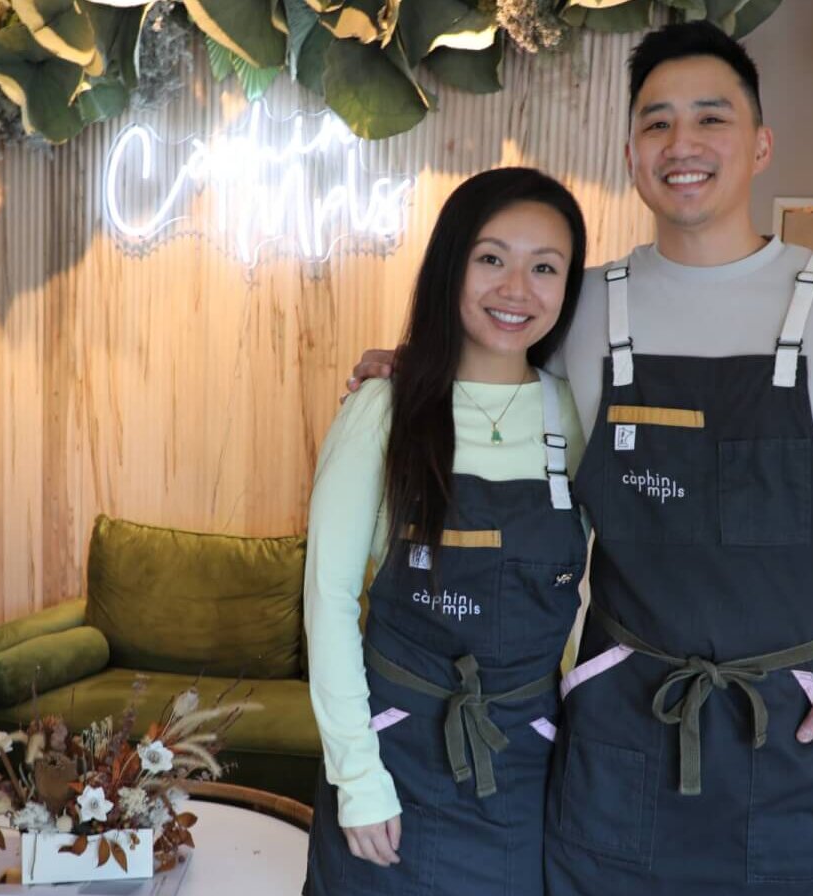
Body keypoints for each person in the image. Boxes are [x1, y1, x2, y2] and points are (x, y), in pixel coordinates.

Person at [349, 21, 813, 895]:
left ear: (759, 142)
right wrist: (417, 367)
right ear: (633, 152)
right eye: (655, 123)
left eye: (710, 119)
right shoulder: (583, 308)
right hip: (623, 731)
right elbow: (496, 358)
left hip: (801, 736)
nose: (683, 145)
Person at [302, 167, 591, 895]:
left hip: (527, 764)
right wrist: (356, 776)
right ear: (450, 265)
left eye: (545, 267)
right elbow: (329, 600)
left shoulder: (576, 416)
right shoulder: (384, 409)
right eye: (491, 258)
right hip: (395, 759)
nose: (516, 289)